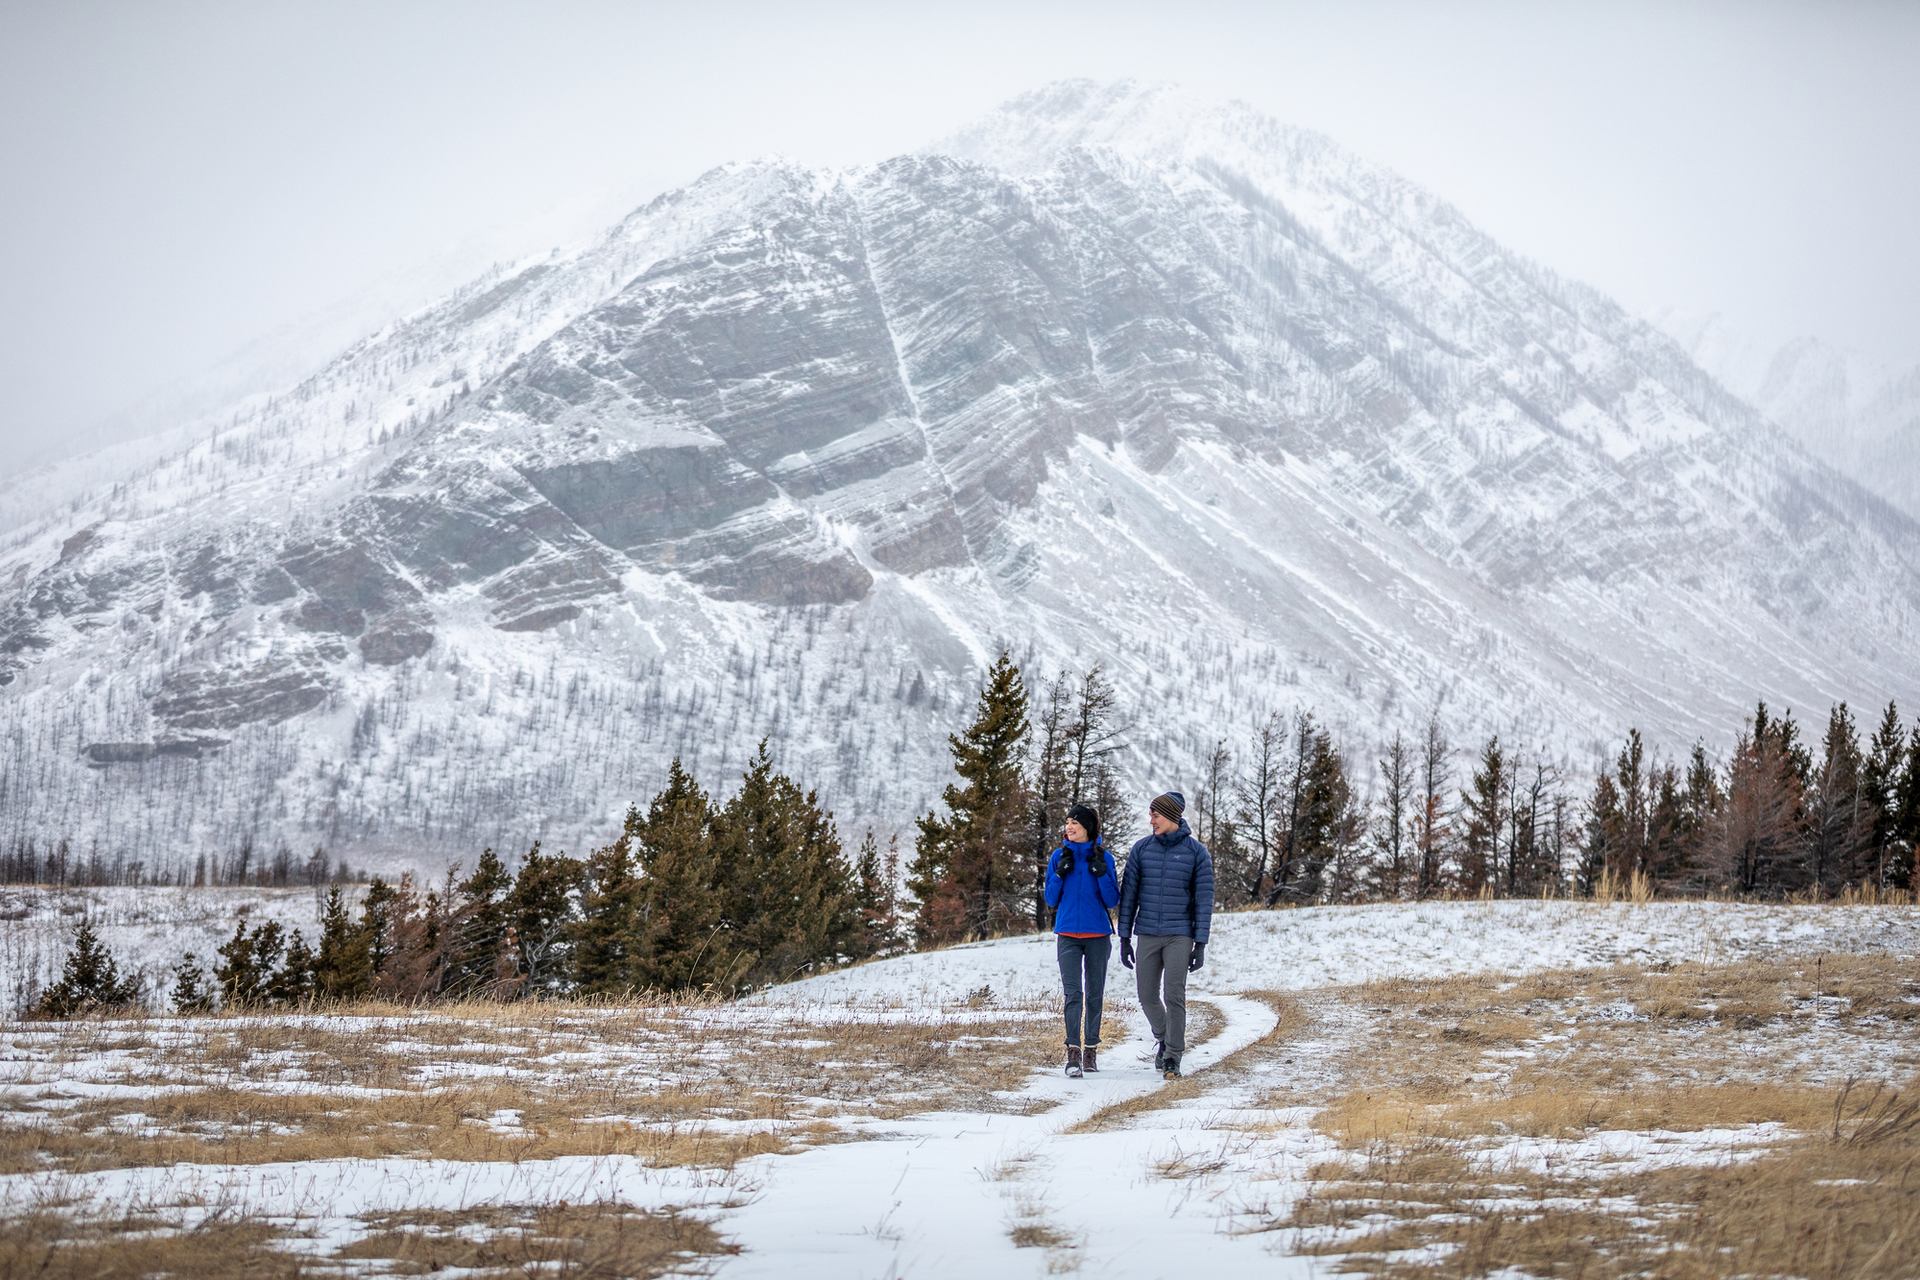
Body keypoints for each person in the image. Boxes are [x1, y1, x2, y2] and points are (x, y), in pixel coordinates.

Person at [1117, 790, 1214, 1079]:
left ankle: (1173, 1055)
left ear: (1171, 816)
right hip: (1147, 932)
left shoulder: (1197, 853)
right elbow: (1129, 896)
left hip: (1179, 935)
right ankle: (1163, 1037)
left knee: (1174, 996)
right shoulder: (1141, 850)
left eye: (1155, 815)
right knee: (1146, 995)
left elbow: (1203, 900)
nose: (1151, 821)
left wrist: (1200, 944)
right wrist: (1124, 938)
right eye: (1151, 815)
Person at [1043, 803, 1119, 1078]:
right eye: (1067, 822)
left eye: (1074, 822)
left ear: (1087, 827)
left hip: (1098, 935)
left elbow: (1112, 900)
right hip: (1067, 936)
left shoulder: (1105, 858)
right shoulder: (1058, 856)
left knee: (1095, 994)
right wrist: (1060, 874)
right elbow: (1050, 899)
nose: (1069, 827)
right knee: (1073, 994)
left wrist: (1100, 874)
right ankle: (1072, 1053)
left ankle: (1091, 1051)